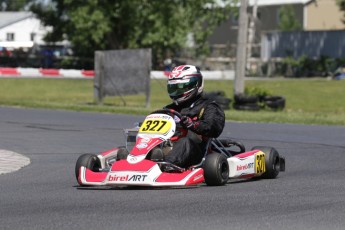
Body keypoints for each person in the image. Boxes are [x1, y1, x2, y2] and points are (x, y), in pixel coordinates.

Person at [162, 65, 225, 168]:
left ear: (196, 84)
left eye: (182, 87)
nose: (178, 91)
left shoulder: (209, 106)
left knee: (184, 141)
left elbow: (213, 128)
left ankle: (167, 166)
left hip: (197, 153)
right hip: (169, 147)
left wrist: (193, 125)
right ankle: (134, 161)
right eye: (174, 87)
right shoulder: (168, 109)